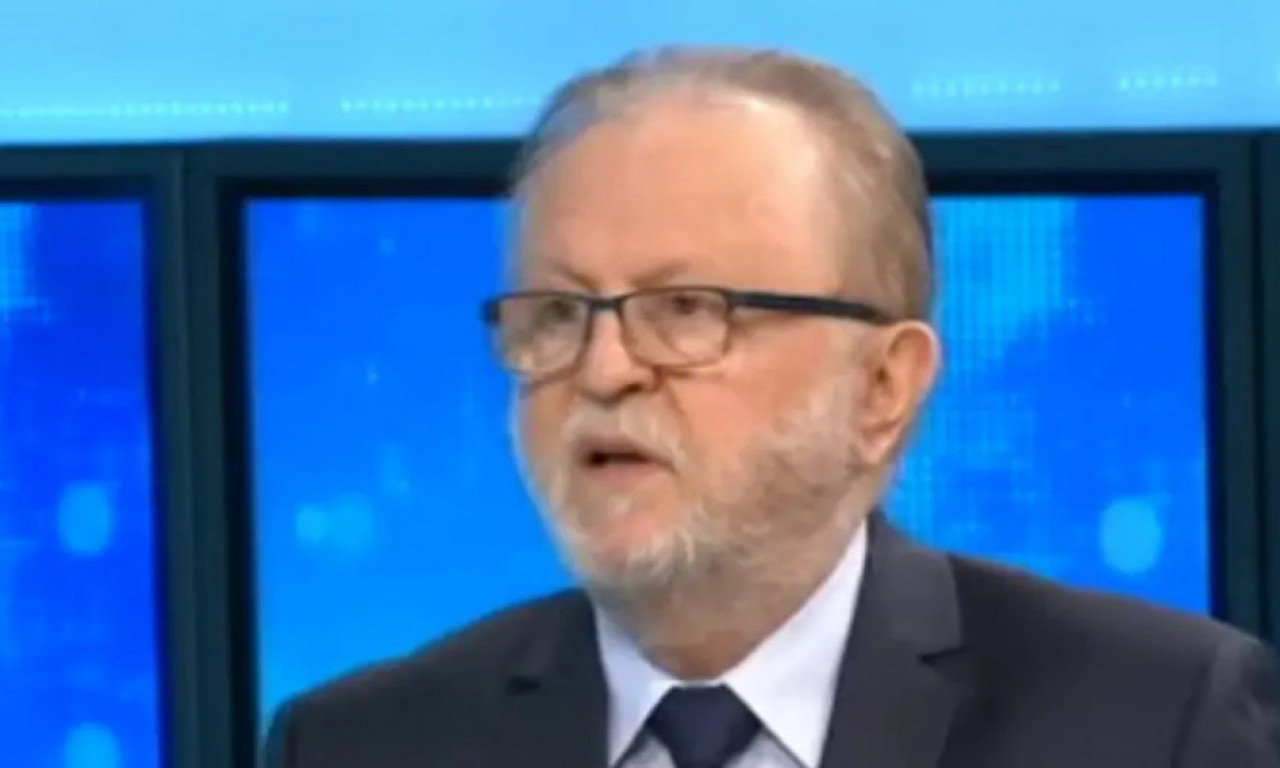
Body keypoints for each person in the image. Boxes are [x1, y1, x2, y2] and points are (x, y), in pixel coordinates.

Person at [262, 46, 1280, 768]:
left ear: (882, 389)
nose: (604, 369)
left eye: (685, 310)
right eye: (557, 314)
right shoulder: (360, 744)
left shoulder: (1154, 722)